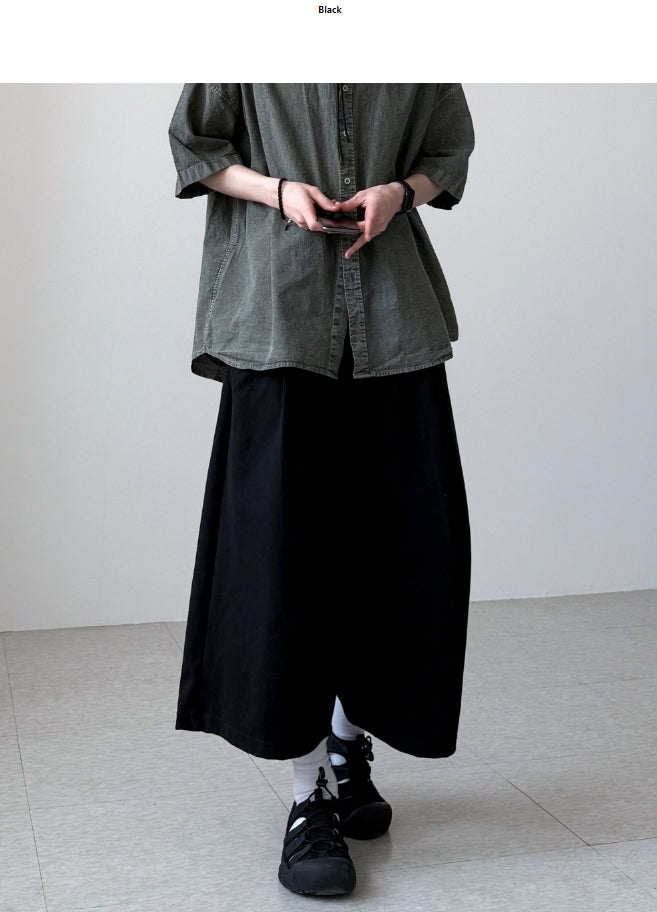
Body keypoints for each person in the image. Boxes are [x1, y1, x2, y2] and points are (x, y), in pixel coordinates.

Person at [168, 83, 475, 897]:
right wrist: (279, 192)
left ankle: (346, 742)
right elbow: (196, 147)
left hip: (394, 320)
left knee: (398, 550)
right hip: (275, 316)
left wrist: (398, 193)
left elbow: (447, 152)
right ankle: (308, 797)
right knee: (280, 563)